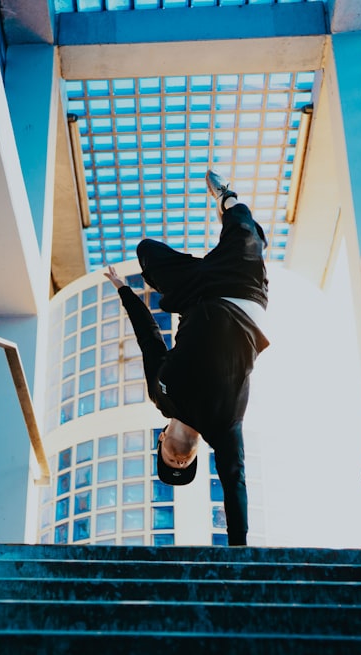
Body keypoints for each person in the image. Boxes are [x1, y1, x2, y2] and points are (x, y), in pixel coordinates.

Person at [103, 169, 270, 546]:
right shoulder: (225, 430)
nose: (179, 462)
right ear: (198, 453)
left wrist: (125, 292)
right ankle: (227, 202)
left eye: (170, 461)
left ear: (162, 438)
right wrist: (239, 553)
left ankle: (211, 258)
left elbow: (149, 339)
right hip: (242, 297)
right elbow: (235, 481)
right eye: (185, 465)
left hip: (197, 296)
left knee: (147, 251)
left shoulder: (160, 394)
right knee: (245, 230)